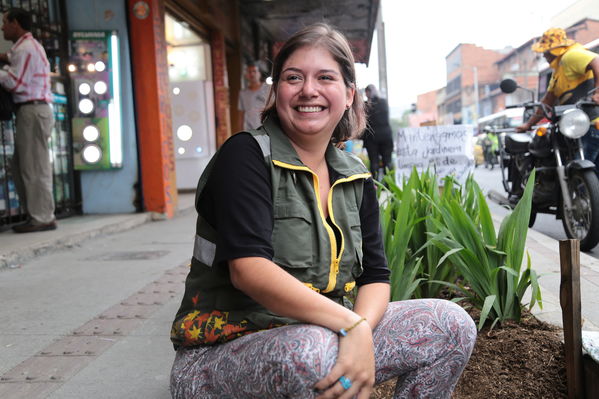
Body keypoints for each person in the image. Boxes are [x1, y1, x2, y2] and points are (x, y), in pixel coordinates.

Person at [170, 23, 476, 399]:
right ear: (276, 91)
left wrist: (358, 328)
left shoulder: (354, 176)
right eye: (293, 77)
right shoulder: (246, 156)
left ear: (349, 95)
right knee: (314, 351)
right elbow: (248, 270)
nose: (308, 90)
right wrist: (352, 328)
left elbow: (376, 276)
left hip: (327, 336)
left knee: (450, 325)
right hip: (221, 356)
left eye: (325, 77)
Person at [512, 28, 599, 202]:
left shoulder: (571, 56)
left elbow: (597, 61)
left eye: (544, 51)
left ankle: (587, 202)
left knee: (585, 166)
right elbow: (548, 99)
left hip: (589, 123)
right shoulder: (558, 72)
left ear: (553, 49)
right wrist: (529, 124)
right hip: (575, 126)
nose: (543, 55)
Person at [0, 8, 55, 233]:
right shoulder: (27, 48)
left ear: (16, 23)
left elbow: (16, 84)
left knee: (33, 166)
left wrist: (2, 71)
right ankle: (36, 214)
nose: (2, 27)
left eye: (5, 22)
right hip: (33, 111)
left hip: (32, 111)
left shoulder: (25, 49)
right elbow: (13, 59)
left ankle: (42, 217)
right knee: (24, 164)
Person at [363, 84, 394, 180]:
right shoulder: (384, 102)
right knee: (387, 161)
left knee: (374, 162)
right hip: (386, 136)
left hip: (372, 137)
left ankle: (375, 186)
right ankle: (389, 186)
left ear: (367, 92)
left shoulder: (366, 105)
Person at [238, 61, 269, 131]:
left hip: (266, 128)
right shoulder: (243, 93)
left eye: (254, 71)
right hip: (250, 130)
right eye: (249, 72)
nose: (252, 74)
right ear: (246, 75)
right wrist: (240, 132)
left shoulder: (268, 89)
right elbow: (241, 114)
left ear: (259, 74)